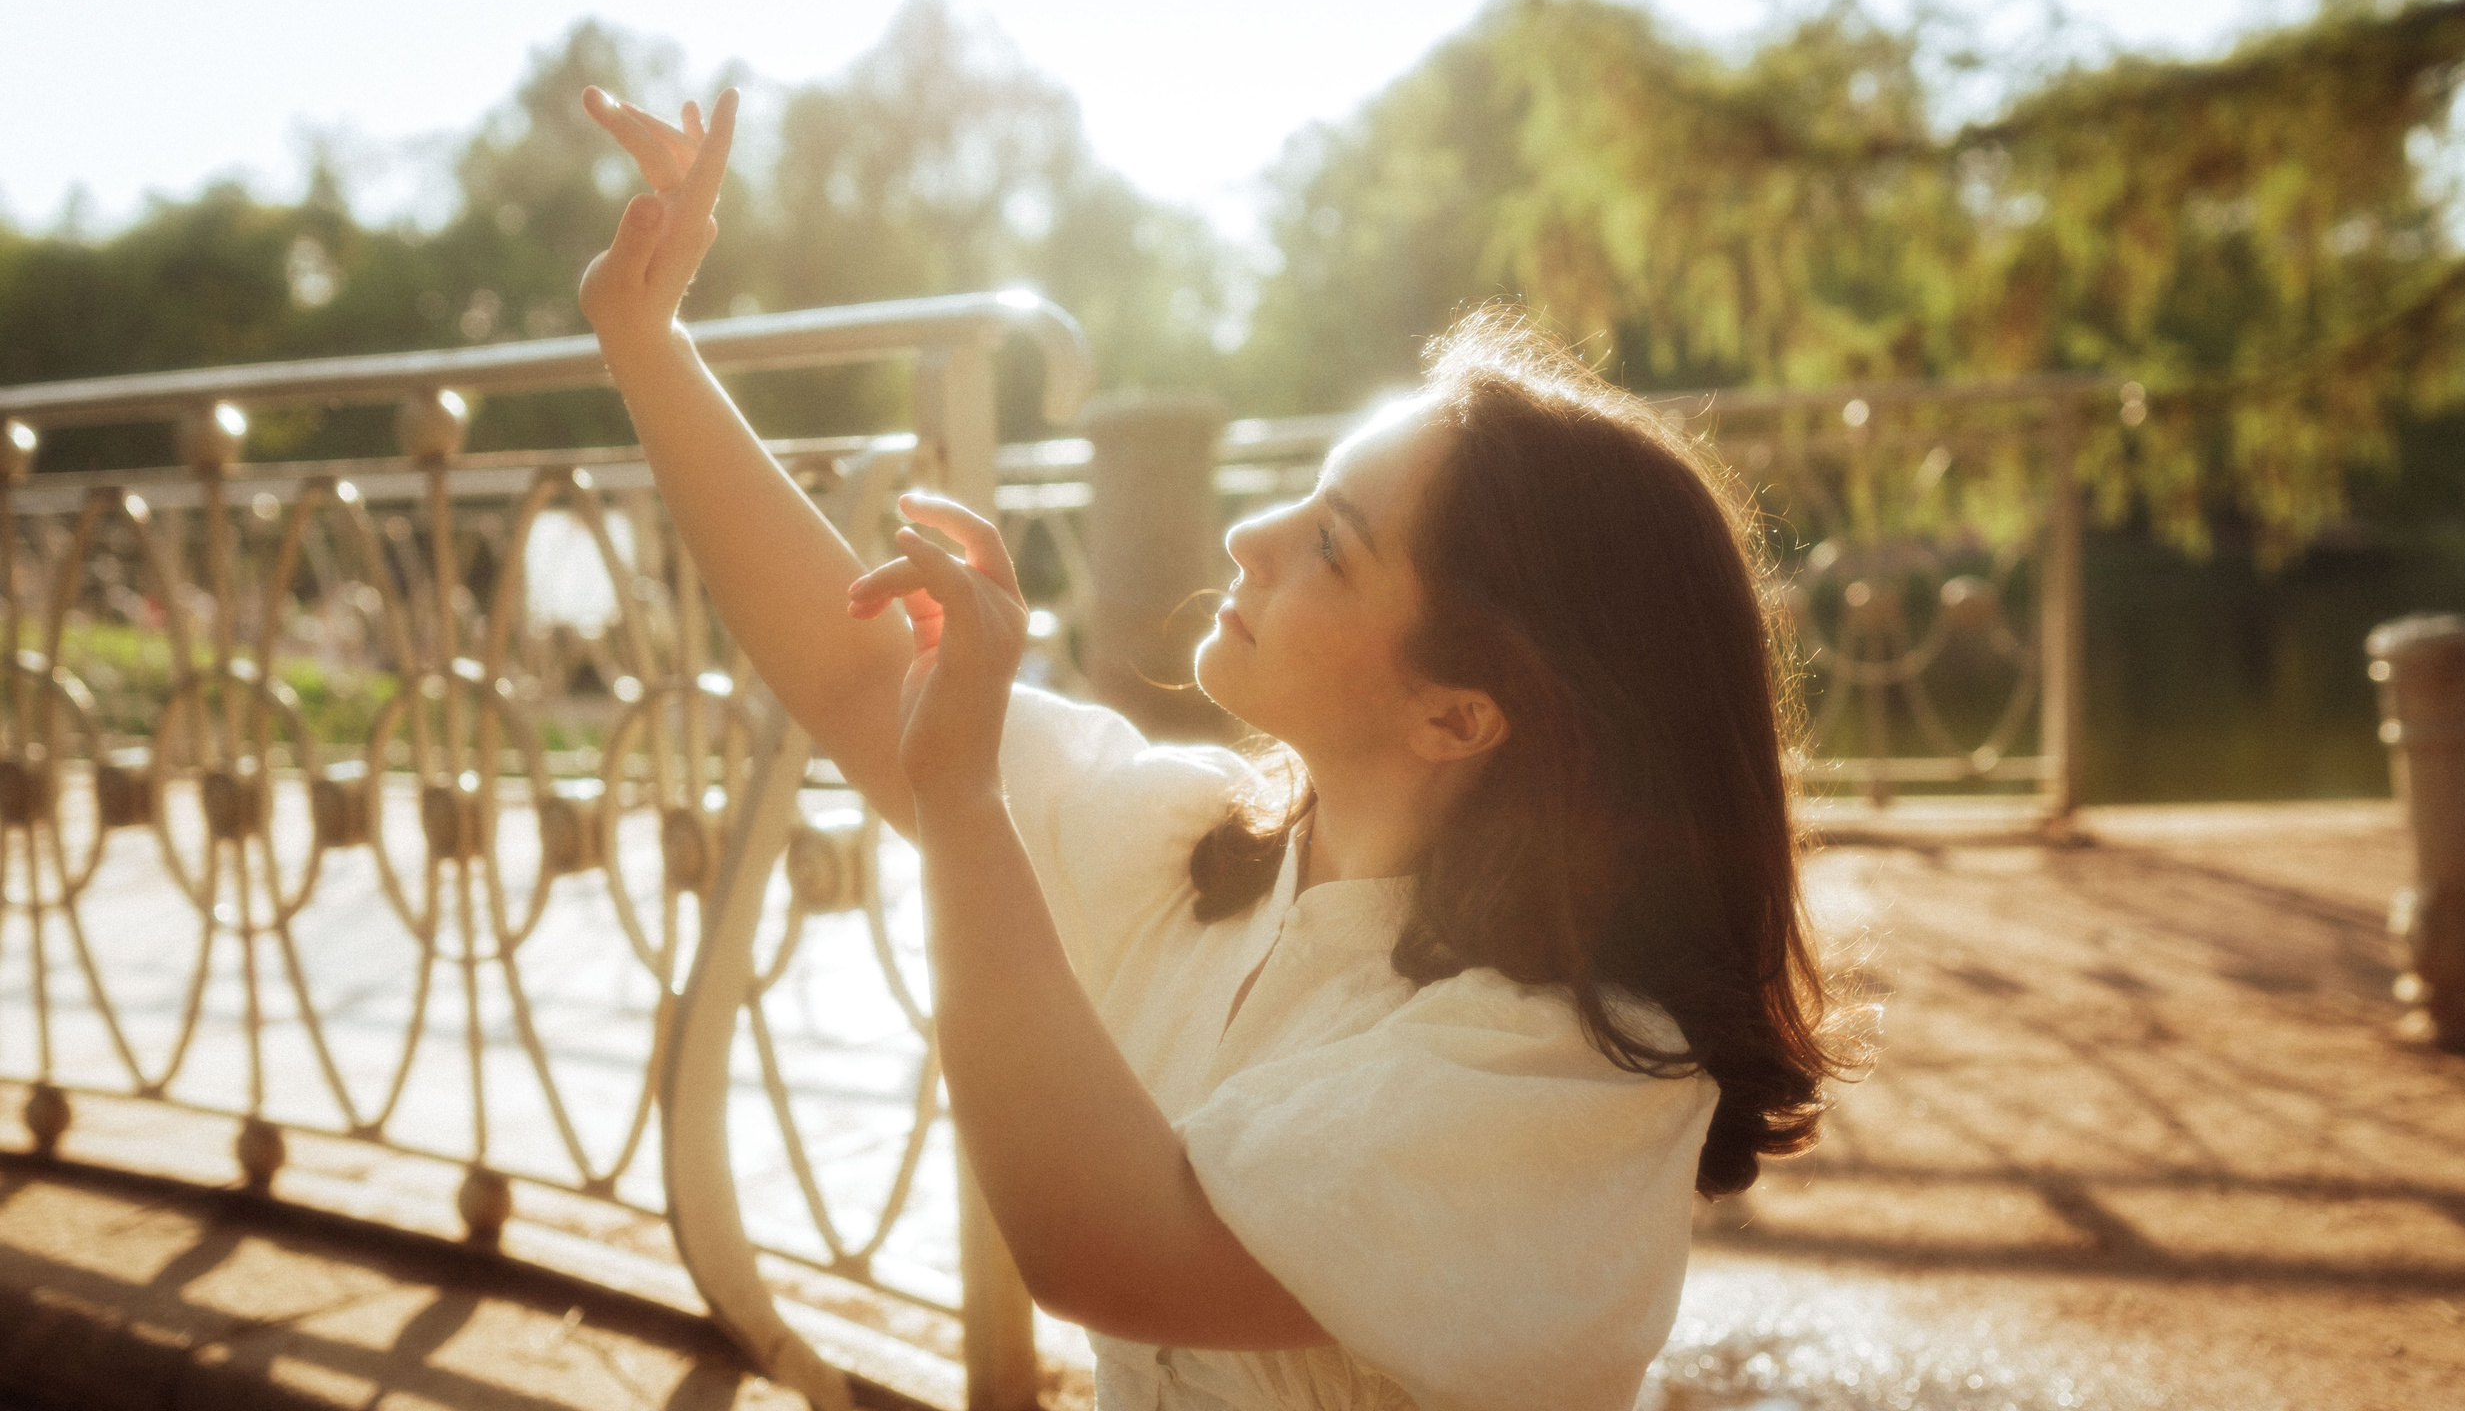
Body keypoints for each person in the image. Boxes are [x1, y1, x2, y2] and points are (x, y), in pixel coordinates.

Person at [579, 85, 1849, 1411]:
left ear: (1458, 716)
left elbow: (1112, 1253)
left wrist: (964, 806)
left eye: (1333, 545)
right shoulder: (1201, 847)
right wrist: (647, 336)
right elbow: (861, 676)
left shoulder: (1572, 1067)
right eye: (1302, 494)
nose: (1252, 537)